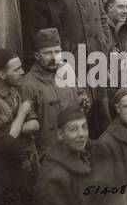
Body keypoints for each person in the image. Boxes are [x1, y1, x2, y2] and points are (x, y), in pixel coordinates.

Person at [20, 28, 88, 156]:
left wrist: (84, 100)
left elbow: (80, 92)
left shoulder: (66, 69)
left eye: (57, 52)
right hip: (49, 152)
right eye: (48, 53)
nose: (54, 57)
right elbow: (30, 120)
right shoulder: (28, 84)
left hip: (75, 145)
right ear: (36, 56)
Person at [0, 48, 39, 205]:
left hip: (28, 161)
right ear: (2, 75)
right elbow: (7, 141)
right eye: (16, 69)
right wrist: (21, 114)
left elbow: (35, 124)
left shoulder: (16, 91)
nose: (22, 72)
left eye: (21, 67)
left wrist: (14, 127)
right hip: (8, 172)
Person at [34, 108, 96, 205]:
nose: (82, 134)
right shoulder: (55, 177)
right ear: (60, 134)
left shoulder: (81, 156)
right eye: (73, 129)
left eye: (84, 127)